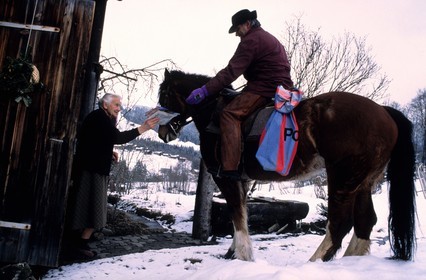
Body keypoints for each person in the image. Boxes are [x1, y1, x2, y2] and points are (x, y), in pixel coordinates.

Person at [186, 9, 294, 180]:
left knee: (229, 114)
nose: (236, 34)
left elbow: (231, 71)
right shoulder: (268, 37)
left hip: (264, 88)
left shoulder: (251, 40)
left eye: (237, 29)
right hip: (281, 87)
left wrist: (205, 90)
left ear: (247, 24)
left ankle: (231, 169)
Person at [69, 93, 159, 258]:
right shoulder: (99, 118)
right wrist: (144, 128)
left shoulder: (100, 118)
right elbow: (118, 137)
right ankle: (78, 245)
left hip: (92, 168)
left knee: (89, 207)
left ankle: (79, 243)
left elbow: (94, 141)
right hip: (92, 170)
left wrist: (108, 151)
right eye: (116, 105)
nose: (119, 108)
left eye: (119, 105)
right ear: (105, 105)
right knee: (92, 208)